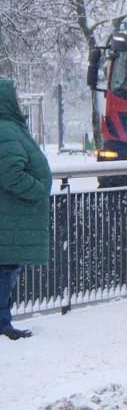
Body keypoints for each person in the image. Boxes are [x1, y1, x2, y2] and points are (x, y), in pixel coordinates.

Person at [0, 79, 51, 340]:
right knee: (5, 271)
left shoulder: (9, 128)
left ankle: (4, 321)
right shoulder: (7, 130)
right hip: (10, 220)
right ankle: (2, 323)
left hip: (11, 219)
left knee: (6, 269)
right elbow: (9, 174)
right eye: (17, 99)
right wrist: (39, 187)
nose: (21, 103)